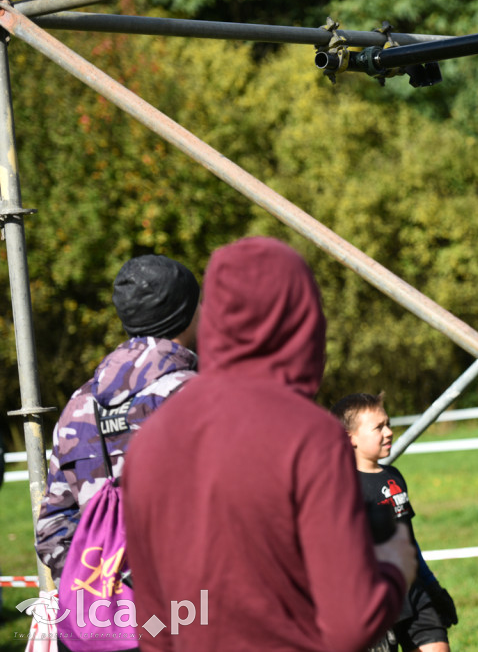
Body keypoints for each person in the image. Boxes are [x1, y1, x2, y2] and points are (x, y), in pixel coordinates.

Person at [122, 237, 416, 651]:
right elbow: (351, 623)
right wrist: (393, 567)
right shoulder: (309, 435)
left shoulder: (150, 440)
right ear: (302, 319)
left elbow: (152, 622)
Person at [36, 254, 200, 584]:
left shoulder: (78, 404)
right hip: (195, 614)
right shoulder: (201, 399)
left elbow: (51, 530)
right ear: (188, 312)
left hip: (109, 624)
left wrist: (104, 589)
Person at [331, 392, 457, 652]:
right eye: (378, 427)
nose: (388, 432)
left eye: (387, 424)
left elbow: (408, 540)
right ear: (349, 438)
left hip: (414, 592)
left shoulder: (394, 476)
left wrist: (432, 586)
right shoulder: (342, 487)